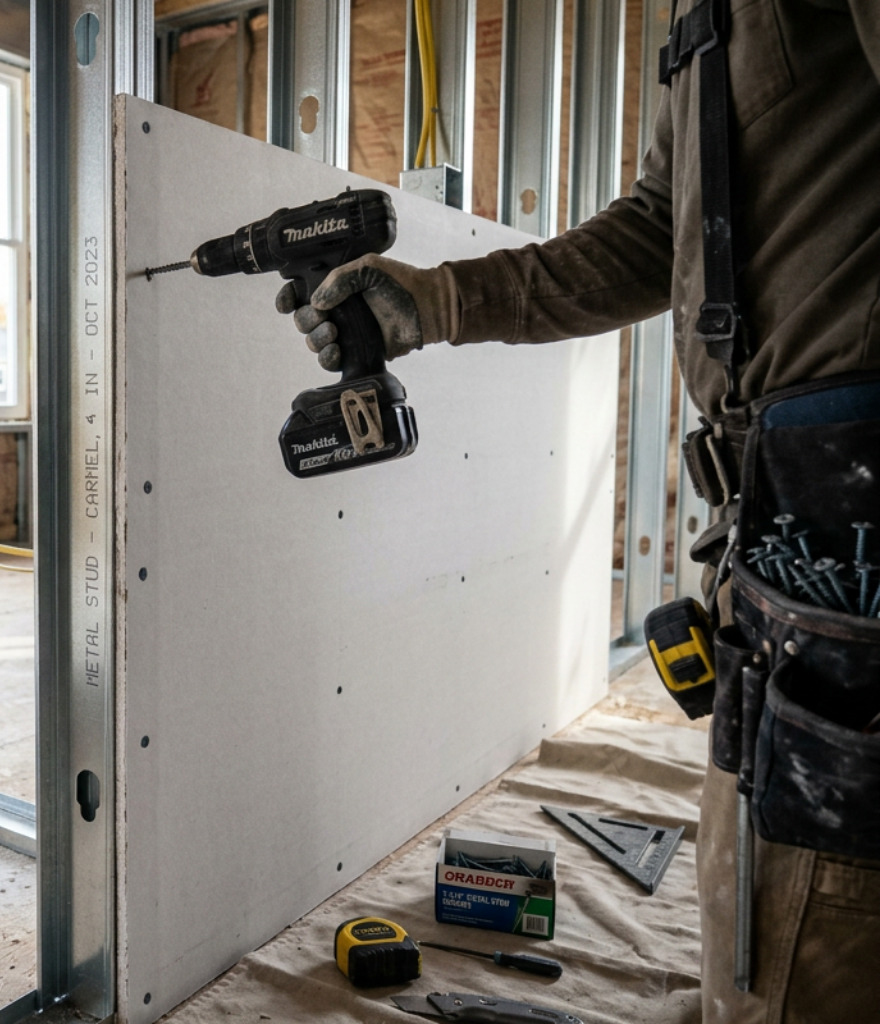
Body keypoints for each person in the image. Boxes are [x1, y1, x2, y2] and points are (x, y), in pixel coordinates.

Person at [278, 2, 880, 1022]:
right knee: (759, 904)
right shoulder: (699, 31)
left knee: (816, 927)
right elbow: (658, 226)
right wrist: (434, 302)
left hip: (849, 487)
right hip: (786, 513)